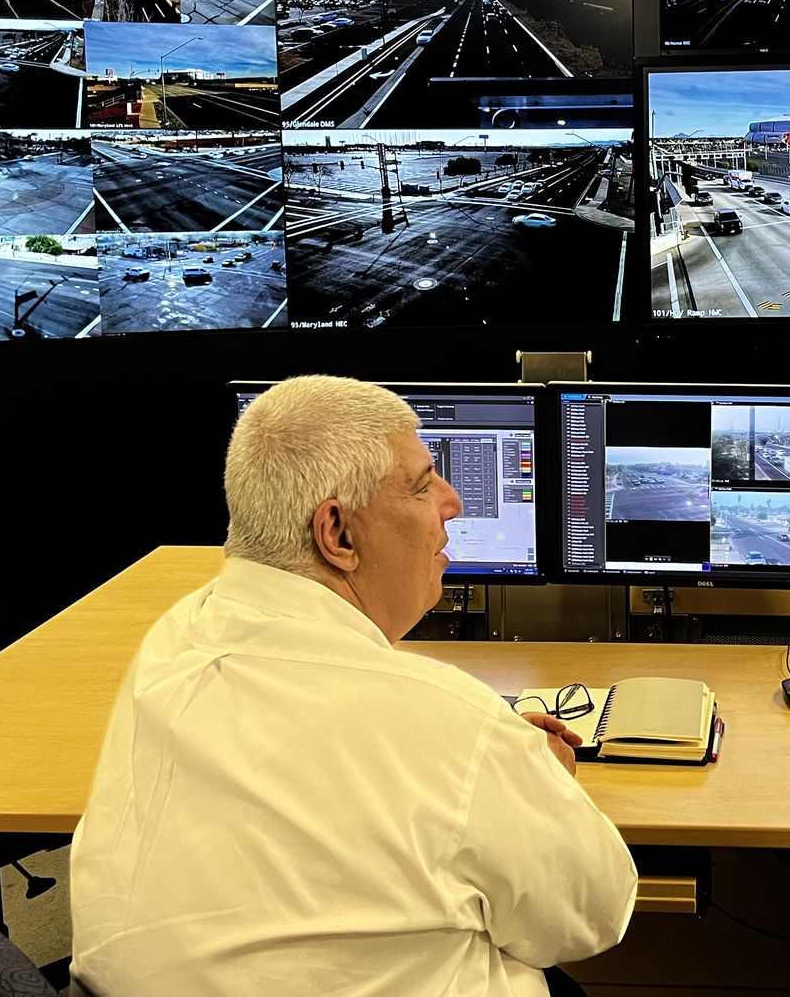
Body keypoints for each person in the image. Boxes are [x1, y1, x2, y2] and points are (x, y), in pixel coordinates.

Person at [70, 376, 637, 997]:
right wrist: (535, 781)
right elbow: (590, 919)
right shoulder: (448, 720)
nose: (453, 502)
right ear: (337, 534)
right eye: (422, 485)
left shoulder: (171, 639)